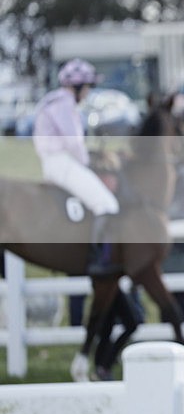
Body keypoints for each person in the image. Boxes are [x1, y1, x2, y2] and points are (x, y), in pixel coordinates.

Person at [33, 58, 119, 277]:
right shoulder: (64, 103)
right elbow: (73, 142)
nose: (89, 92)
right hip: (62, 162)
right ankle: (101, 259)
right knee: (107, 204)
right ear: (78, 86)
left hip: (55, 162)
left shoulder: (53, 101)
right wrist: (87, 163)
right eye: (88, 86)